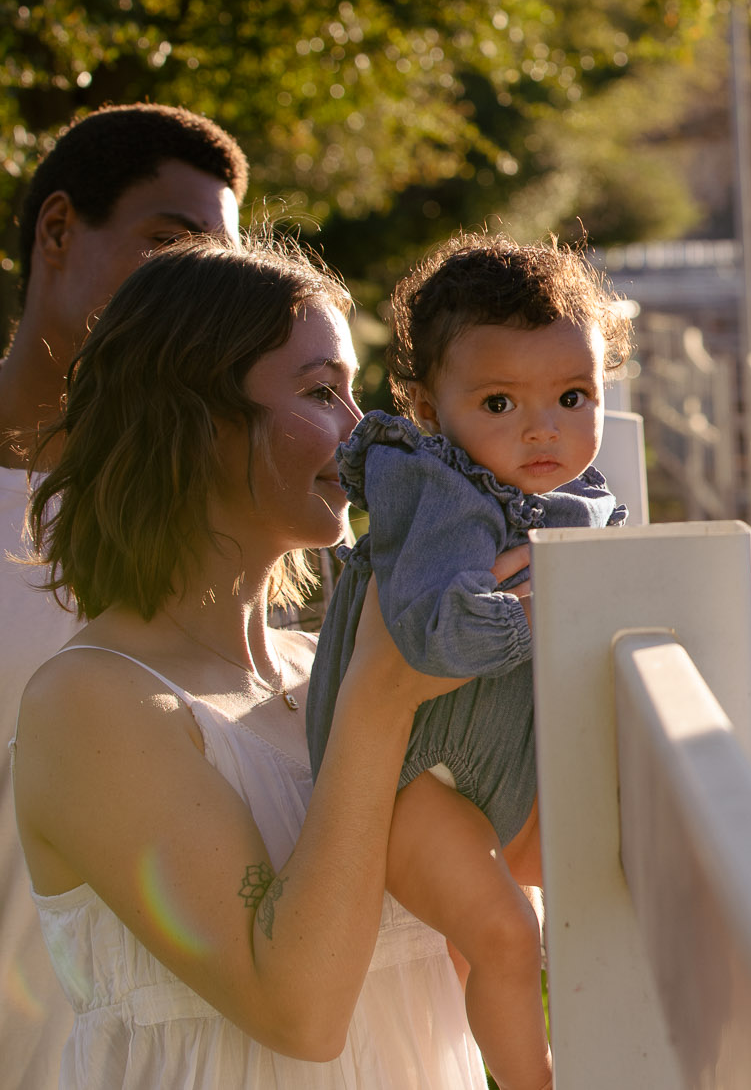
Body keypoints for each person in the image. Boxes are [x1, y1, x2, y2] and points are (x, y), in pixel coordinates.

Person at [11, 236, 487, 1088]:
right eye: (318, 392)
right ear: (190, 416)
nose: (361, 433)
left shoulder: (325, 666)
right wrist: (380, 697)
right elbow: (296, 1012)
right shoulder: (92, 700)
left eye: (353, 390)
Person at [304, 235, 630, 1090]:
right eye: (497, 401)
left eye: (572, 395)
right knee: (505, 932)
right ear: (423, 405)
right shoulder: (433, 486)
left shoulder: (574, 500)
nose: (542, 426)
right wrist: (539, 611)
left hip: (491, 757)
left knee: (606, 881)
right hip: (408, 772)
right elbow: (436, 632)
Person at [0, 104, 245, 1090]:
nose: (190, 290)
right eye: (167, 244)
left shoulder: (222, 519)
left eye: (213, 266)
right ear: (59, 230)